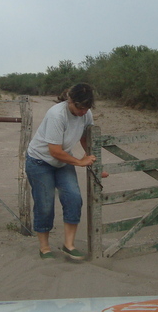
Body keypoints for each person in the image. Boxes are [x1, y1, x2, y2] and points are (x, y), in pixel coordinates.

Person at [25, 83, 101, 260]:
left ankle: (69, 245)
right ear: (70, 100)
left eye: (87, 108)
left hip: (63, 160)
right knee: (45, 204)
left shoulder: (86, 114)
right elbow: (54, 151)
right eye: (80, 107)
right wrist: (80, 162)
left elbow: (85, 137)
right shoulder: (57, 115)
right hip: (39, 161)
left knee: (74, 198)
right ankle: (44, 248)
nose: (83, 112)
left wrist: (93, 161)